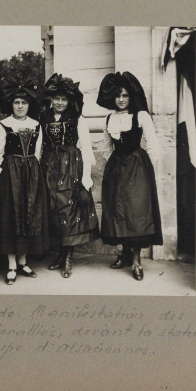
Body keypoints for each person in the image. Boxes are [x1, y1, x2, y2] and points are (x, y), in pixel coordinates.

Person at [96, 72, 162, 281]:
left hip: (137, 169)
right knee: (118, 210)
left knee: (136, 212)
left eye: (125, 95)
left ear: (131, 97)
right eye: (117, 96)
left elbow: (152, 144)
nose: (121, 99)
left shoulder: (141, 116)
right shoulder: (109, 118)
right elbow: (106, 147)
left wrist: (143, 169)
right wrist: (115, 163)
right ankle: (123, 254)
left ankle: (136, 260)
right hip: (116, 169)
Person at [41, 73, 100, 278]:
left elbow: (85, 147)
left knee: (68, 210)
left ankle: (67, 257)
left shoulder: (77, 118)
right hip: (49, 165)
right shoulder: (44, 117)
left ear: (69, 100)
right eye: (56, 98)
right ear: (51, 99)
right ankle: (59, 254)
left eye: (63, 99)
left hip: (70, 166)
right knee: (53, 209)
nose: (59, 102)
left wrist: (86, 176)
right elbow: (40, 145)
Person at [0, 76, 48, 285]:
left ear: (29, 105)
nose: (20, 106)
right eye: (16, 102)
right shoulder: (3, 125)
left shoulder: (36, 125)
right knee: (11, 214)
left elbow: (38, 152)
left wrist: (33, 171)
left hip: (32, 173)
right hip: (10, 173)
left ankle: (24, 261)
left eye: (24, 103)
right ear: (11, 104)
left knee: (29, 212)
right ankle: (11, 265)